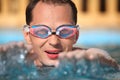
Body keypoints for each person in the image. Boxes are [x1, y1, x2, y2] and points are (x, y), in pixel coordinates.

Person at [0, 0, 119, 69]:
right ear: (27, 35)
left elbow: (97, 55)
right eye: (42, 31)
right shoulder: (15, 64)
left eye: (65, 31)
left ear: (76, 36)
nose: (54, 42)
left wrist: (102, 61)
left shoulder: (84, 60)